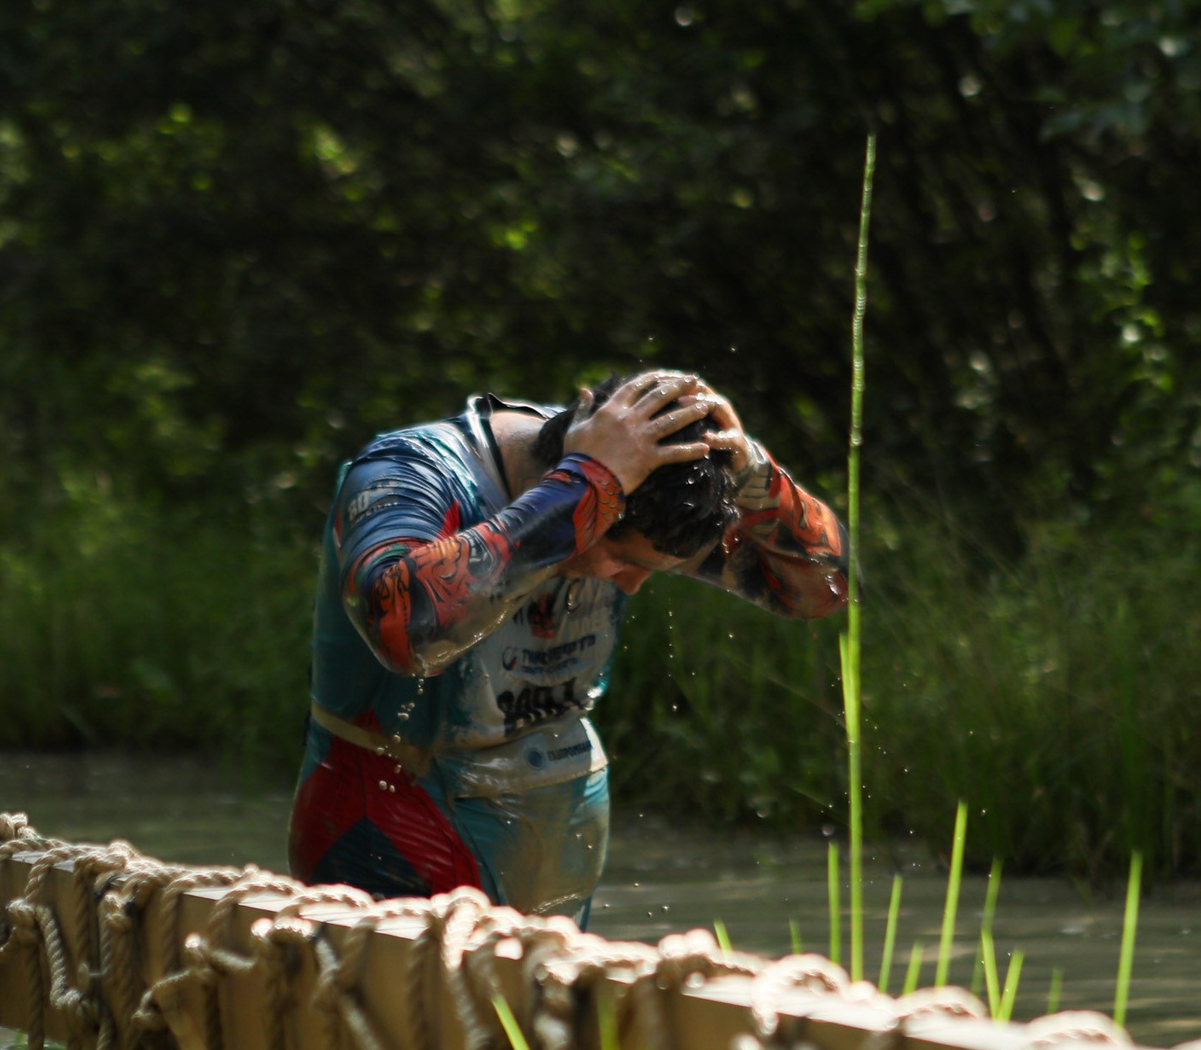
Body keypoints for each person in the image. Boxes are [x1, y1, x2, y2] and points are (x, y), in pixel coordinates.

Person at [288, 369, 849, 920]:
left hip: (552, 829)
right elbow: (403, 627)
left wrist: (762, 481)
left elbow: (823, 590)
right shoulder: (409, 473)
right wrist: (589, 483)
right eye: (622, 560)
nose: (630, 584)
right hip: (393, 832)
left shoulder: (644, 490)